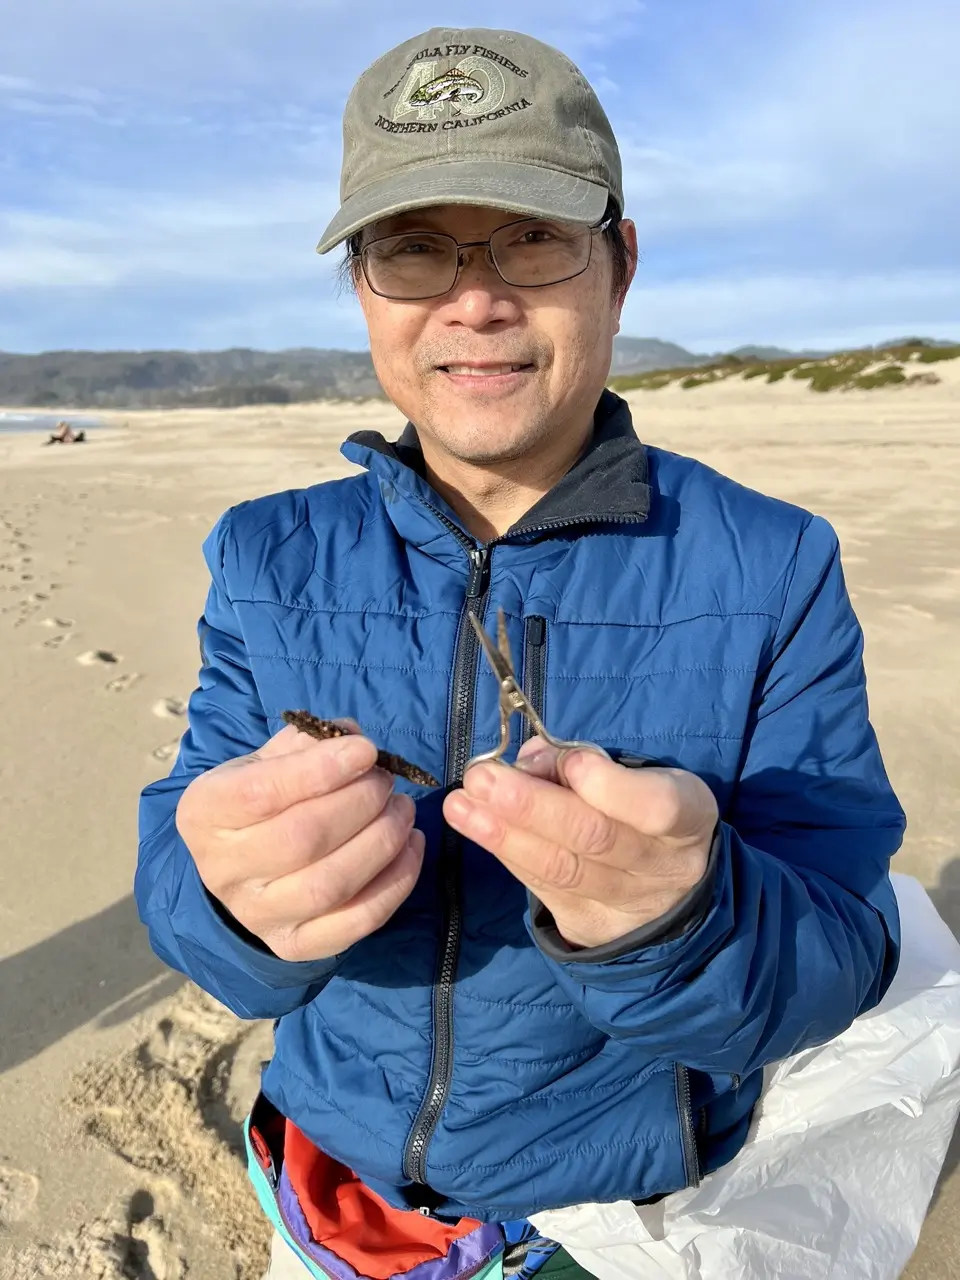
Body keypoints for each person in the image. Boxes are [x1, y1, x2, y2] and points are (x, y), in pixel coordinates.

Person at [135, 26, 906, 1280]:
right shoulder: (268, 557)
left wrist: (678, 922)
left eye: (533, 237)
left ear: (621, 264)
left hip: (619, 1213)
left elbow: (839, 952)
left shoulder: (772, 567)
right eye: (415, 246)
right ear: (364, 289)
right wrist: (231, 903)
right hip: (330, 1194)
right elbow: (183, 881)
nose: (476, 297)